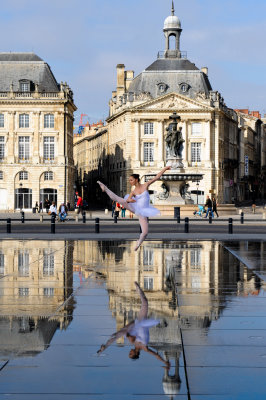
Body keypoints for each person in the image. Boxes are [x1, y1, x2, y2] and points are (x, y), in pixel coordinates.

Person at [97, 282, 170, 369]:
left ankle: (104, 347)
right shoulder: (144, 348)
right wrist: (165, 362)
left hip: (136, 324)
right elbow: (155, 355)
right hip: (141, 323)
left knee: (118, 335)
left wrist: (127, 335)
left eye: (129, 353)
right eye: (131, 353)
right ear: (136, 353)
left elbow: (128, 335)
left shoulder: (133, 343)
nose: (130, 352)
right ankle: (139, 290)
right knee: (145, 302)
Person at [97, 166, 171, 250]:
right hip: (135, 208)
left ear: (136, 180)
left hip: (144, 211)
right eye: (129, 180)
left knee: (145, 232)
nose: (130, 182)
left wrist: (165, 168)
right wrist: (130, 200)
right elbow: (128, 199)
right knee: (119, 199)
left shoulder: (145, 185)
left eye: (131, 180)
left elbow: (157, 177)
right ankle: (105, 188)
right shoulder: (133, 191)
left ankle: (139, 242)